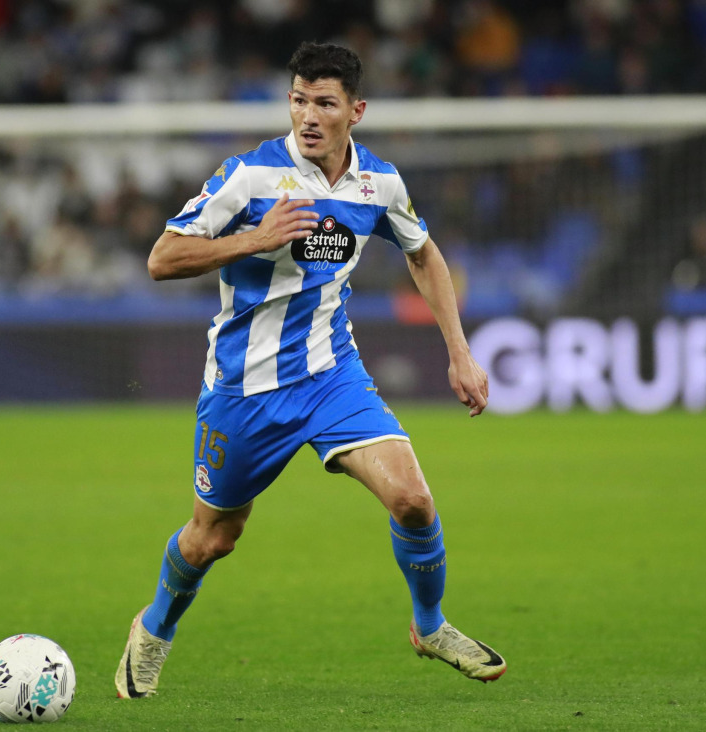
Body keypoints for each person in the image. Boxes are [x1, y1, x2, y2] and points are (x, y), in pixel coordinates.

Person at [114, 41, 506, 699]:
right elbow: (162, 257)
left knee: (412, 500)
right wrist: (255, 240)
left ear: (355, 110)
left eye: (324, 103)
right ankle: (154, 628)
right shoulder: (249, 177)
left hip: (331, 377)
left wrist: (459, 352)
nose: (308, 116)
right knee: (214, 538)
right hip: (245, 391)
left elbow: (423, 254)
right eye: (299, 100)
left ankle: (430, 624)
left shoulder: (380, 183)